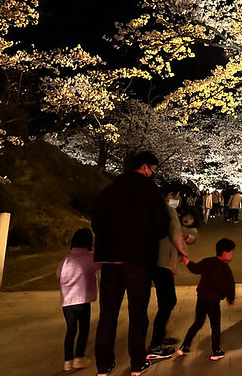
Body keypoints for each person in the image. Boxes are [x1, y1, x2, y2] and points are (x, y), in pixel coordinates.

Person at [92, 151, 170, 376]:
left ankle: (104, 365)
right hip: (139, 259)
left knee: (108, 313)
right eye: (152, 169)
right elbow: (161, 226)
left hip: (110, 259)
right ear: (144, 167)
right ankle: (137, 362)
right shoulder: (150, 191)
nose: (153, 173)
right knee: (138, 312)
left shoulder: (109, 191)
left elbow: (96, 223)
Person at [177, 238, 237, 361]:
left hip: (202, 299)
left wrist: (185, 260)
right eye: (231, 252)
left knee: (198, 322)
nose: (232, 254)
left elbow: (195, 268)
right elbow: (230, 285)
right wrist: (230, 300)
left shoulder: (208, 261)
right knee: (215, 326)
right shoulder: (225, 269)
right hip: (213, 301)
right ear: (225, 253)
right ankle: (215, 351)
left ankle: (184, 346)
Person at [146, 189, 190, 360]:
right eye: (173, 196)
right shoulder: (168, 211)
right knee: (168, 301)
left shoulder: (149, 211)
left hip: (151, 260)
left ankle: (161, 335)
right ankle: (156, 344)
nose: (175, 199)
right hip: (163, 262)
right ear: (165, 197)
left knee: (164, 300)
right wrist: (183, 252)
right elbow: (176, 235)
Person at [57, 228, 99, 372]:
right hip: (82, 300)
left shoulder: (66, 259)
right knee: (83, 329)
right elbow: (100, 266)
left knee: (71, 330)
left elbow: (58, 274)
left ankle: (67, 360)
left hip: (67, 302)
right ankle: (79, 357)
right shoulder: (90, 256)